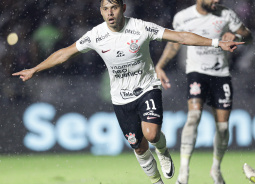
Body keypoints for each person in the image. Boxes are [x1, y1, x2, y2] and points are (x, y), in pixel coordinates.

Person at [12, 0, 243, 183]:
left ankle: (162, 150)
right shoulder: (96, 35)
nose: (110, 13)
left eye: (114, 7)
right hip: (121, 98)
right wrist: (35, 68)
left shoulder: (141, 27)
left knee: (151, 135)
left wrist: (216, 43)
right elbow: (65, 53)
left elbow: (180, 36)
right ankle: (156, 182)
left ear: (123, 8)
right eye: (105, 9)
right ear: (101, 12)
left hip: (147, 89)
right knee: (139, 146)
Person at [155, 0, 252, 184]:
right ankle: (183, 173)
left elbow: (249, 37)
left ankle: (215, 169)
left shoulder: (227, 15)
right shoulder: (183, 17)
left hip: (221, 74)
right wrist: (160, 65)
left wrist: (236, 36)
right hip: (196, 73)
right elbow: (175, 43)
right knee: (193, 117)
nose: (217, 0)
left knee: (223, 127)